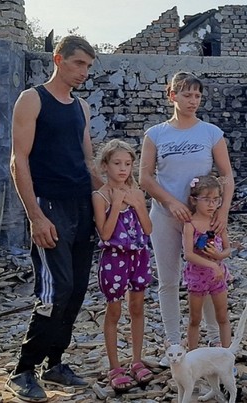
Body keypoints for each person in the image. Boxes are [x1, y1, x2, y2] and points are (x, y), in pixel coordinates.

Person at [7, 36, 100, 403]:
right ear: (58, 59)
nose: (83, 72)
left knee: (76, 291)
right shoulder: (33, 99)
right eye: (78, 64)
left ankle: (55, 364)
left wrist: (116, 197)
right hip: (49, 206)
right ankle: (23, 371)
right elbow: (19, 160)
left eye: (89, 67)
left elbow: (88, 160)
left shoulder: (82, 107)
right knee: (55, 290)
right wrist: (35, 216)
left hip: (81, 206)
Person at [139, 72, 235, 356]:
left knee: (206, 274)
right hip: (166, 216)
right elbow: (144, 177)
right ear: (172, 96)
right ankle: (174, 341)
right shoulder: (155, 134)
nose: (193, 101)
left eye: (197, 96)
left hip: (203, 219)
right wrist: (170, 202)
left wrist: (224, 211)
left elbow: (227, 175)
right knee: (168, 279)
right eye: (187, 95)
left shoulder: (211, 132)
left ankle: (212, 341)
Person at [91, 139, 154, 393]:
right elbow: (105, 234)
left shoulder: (137, 192)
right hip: (114, 258)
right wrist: (116, 204)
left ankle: (137, 360)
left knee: (137, 307)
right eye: (117, 163)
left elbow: (148, 229)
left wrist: (138, 204)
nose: (123, 169)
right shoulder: (100, 196)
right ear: (105, 165)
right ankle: (115, 366)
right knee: (114, 311)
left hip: (138, 255)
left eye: (127, 164)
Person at [182, 175, 233, 349]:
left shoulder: (217, 223)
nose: (211, 205)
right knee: (194, 319)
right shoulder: (190, 225)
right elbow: (188, 254)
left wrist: (219, 256)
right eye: (207, 200)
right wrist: (212, 263)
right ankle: (192, 355)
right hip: (197, 277)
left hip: (218, 277)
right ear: (194, 200)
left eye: (215, 200)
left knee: (222, 316)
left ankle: (227, 354)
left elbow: (227, 249)